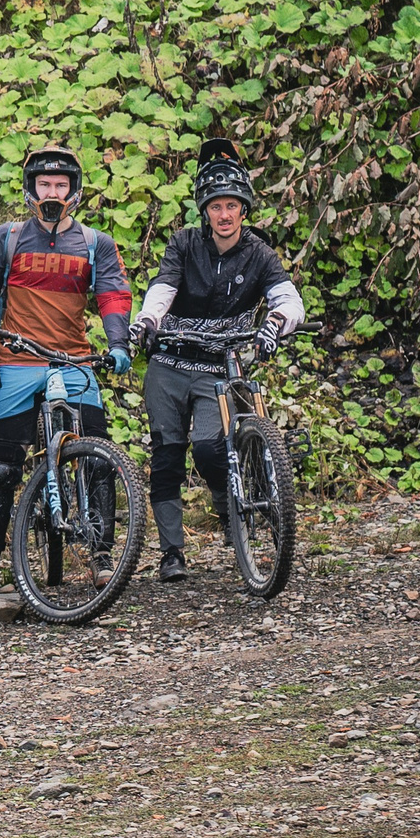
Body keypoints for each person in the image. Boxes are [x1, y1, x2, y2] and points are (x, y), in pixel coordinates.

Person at [0, 146, 133, 595]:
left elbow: (113, 295)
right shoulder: (8, 237)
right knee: (0, 467)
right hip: (16, 360)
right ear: (30, 190)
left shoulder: (96, 244)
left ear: (74, 191)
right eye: (44, 185)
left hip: (74, 358)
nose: (51, 192)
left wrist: (117, 344)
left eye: (60, 185)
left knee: (97, 459)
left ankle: (102, 556)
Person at [130, 139, 305, 582]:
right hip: (169, 363)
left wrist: (275, 324)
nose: (224, 215)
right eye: (215, 206)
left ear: (243, 209)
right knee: (167, 455)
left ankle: (230, 509)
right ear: (203, 210)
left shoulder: (260, 254)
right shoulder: (184, 245)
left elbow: (290, 301)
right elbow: (163, 288)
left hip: (219, 369)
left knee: (212, 446)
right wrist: (148, 321)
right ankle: (172, 553)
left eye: (232, 206)